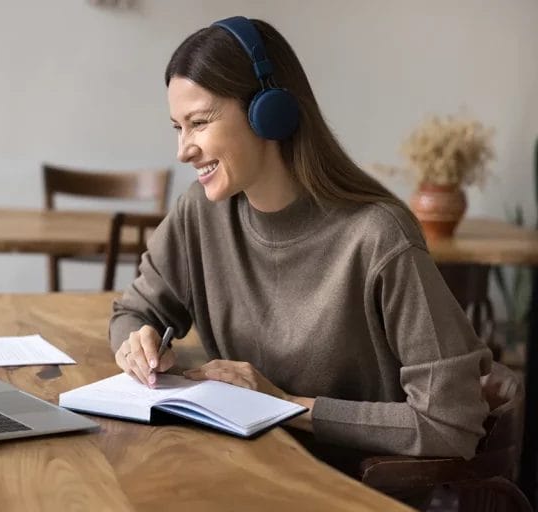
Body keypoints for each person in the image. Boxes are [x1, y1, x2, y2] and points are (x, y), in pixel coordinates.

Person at [110, 15, 493, 471]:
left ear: (268, 113)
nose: (183, 149)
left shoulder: (378, 236)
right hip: (240, 467)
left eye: (199, 123)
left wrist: (286, 405)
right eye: (178, 127)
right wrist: (138, 344)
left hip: (345, 487)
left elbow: (451, 422)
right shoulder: (201, 212)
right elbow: (132, 312)